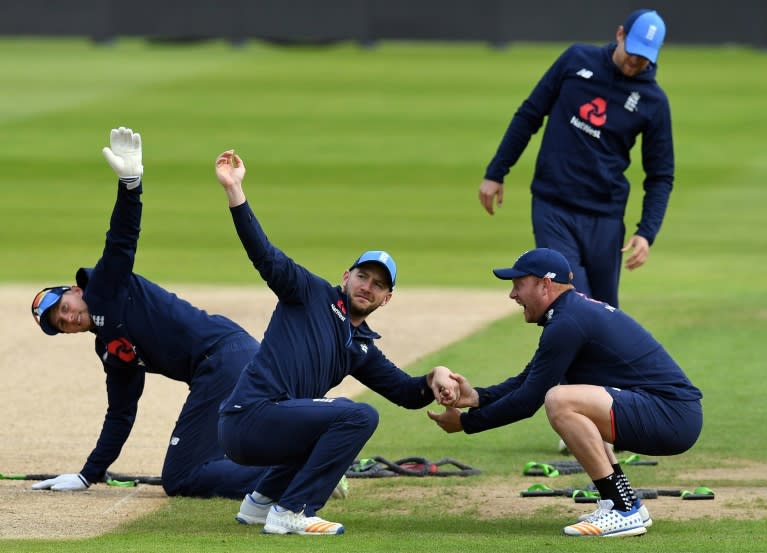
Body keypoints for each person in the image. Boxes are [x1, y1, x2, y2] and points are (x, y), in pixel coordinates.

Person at [214, 149, 459, 536]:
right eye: (363, 276)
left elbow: (406, 393)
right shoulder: (307, 292)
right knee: (358, 415)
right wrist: (235, 191)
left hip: (267, 430)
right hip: (247, 418)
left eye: (379, 285)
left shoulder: (360, 346)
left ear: (386, 299)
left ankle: (261, 503)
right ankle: (292, 510)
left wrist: (436, 375)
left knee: (333, 421)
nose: (368, 287)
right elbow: (263, 254)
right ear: (346, 275)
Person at [29, 126, 273, 499]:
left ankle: (291, 476)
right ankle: (297, 464)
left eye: (64, 308)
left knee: (182, 477)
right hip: (229, 361)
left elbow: (122, 237)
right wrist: (86, 475)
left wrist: (131, 184)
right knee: (211, 459)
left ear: (76, 291)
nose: (68, 319)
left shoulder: (107, 285)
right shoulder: (111, 349)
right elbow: (121, 413)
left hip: (224, 360)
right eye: (60, 324)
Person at [427, 248, 703, 537]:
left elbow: (528, 401)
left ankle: (622, 510)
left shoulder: (567, 322)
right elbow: (528, 379)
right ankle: (626, 502)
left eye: (518, 284)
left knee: (560, 400)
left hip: (672, 416)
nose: (512, 295)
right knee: (566, 398)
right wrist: (477, 398)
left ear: (544, 285)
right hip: (671, 413)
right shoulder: (570, 313)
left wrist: (465, 423)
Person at [478, 9, 673, 309]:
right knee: (571, 302)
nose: (635, 62)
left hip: (605, 218)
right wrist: (496, 172)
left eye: (644, 58)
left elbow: (660, 174)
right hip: (553, 205)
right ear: (620, 34)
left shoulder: (653, 102)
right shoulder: (576, 60)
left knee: (605, 314)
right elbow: (530, 114)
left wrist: (647, 232)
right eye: (633, 52)